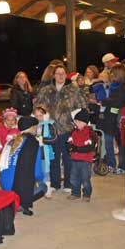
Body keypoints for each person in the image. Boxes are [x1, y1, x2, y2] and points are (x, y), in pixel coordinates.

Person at [36, 64, 89, 192]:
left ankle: (68, 184)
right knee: (53, 157)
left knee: (68, 157)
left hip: (68, 129)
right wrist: (42, 116)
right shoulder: (46, 90)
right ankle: (55, 183)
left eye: (63, 73)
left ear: (66, 75)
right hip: (51, 129)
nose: (60, 76)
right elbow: (38, 106)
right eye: (58, 73)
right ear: (54, 75)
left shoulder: (74, 90)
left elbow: (83, 106)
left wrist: (78, 121)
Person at [0, 116, 46, 215]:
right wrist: (40, 178)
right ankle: (21, 203)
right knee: (43, 187)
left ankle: (11, 200)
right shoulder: (33, 142)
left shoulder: (12, 141)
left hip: (4, 184)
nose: (36, 129)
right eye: (35, 127)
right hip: (16, 187)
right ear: (32, 128)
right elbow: (37, 172)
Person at [97, 64, 125, 175]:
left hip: (121, 118)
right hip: (109, 117)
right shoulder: (111, 86)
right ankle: (111, 164)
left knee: (121, 143)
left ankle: (123, 166)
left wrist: (104, 101)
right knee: (108, 141)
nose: (111, 75)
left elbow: (118, 100)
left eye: (113, 73)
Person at [66, 109, 97, 202]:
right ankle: (75, 193)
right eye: (75, 121)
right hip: (74, 159)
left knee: (85, 178)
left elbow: (90, 147)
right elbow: (68, 143)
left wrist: (76, 149)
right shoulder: (73, 132)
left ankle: (87, 194)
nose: (76, 123)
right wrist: (70, 148)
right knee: (73, 177)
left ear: (85, 122)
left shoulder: (91, 133)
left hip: (85, 160)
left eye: (78, 121)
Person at [33, 106, 57, 198]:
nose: (38, 118)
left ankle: (47, 189)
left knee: (45, 171)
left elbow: (54, 139)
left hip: (44, 152)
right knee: (36, 171)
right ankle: (38, 189)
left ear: (45, 115)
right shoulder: (33, 125)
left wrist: (43, 140)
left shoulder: (50, 124)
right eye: (36, 116)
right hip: (35, 152)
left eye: (40, 115)